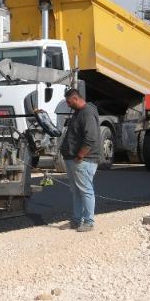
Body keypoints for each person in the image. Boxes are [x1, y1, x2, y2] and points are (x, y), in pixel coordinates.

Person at [59, 88, 100, 232]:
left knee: (86, 190)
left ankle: (88, 222)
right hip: (74, 159)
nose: (68, 105)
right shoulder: (78, 112)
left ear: (76, 99)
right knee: (76, 191)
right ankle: (76, 220)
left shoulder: (87, 113)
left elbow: (91, 137)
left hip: (83, 160)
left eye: (69, 102)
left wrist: (80, 156)